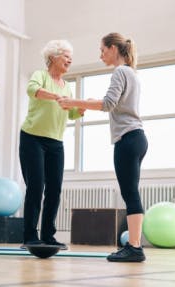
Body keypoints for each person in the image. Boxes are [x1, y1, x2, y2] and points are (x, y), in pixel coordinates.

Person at [58, 32, 148, 262]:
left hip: (127, 139)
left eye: (102, 50)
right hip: (136, 137)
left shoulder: (120, 71)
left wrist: (75, 102)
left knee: (130, 194)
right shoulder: (131, 73)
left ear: (114, 48)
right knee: (131, 192)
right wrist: (88, 101)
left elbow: (108, 104)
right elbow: (115, 104)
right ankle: (135, 246)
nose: (100, 55)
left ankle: (135, 247)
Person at [19, 39, 83, 250]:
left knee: (54, 190)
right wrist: (55, 96)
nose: (69, 59)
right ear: (53, 57)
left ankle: (48, 234)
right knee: (36, 187)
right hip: (32, 138)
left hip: (56, 142)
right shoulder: (41, 75)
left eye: (70, 56)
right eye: (66, 55)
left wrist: (79, 110)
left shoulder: (68, 86)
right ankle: (30, 235)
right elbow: (32, 89)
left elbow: (70, 113)